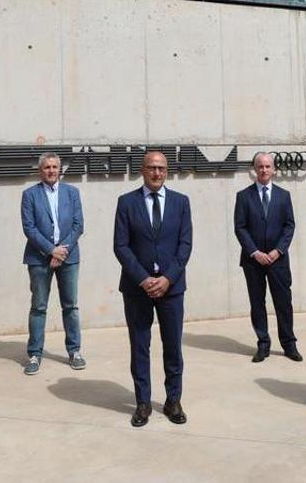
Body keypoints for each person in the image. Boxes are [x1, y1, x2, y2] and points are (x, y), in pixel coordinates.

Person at [113, 151, 193, 427]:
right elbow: (120, 246)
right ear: (142, 170)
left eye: (161, 168)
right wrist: (143, 279)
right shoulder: (126, 203)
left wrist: (168, 278)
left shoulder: (181, 203)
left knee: (173, 347)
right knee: (140, 347)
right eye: (151, 168)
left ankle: (173, 401)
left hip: (172, 289)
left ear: (167, 171)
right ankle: (143, 403)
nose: (156, 173)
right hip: (138, 290)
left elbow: (185, 246)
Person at [20, 152, 85, 375]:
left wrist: (62, 251)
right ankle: (35, 354)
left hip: (69, 257)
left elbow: (78, 225)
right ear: (41, 170)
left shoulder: (72, 193)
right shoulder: (29, 194)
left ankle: (75, 351)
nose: (51, 171)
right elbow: (29, 228)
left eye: (54, 167)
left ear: (60, 169)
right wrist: (51, 251)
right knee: (38, 307)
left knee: (71, 306)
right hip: (39, 258)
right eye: (47, 167)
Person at [234, 152, 300, 363]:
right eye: (260, 166)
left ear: (274, 169)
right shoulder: (243, 196)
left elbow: (289, 226)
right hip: (253, 261)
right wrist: (255, 252)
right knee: (257, 303)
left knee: (283, 303)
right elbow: (240, 227)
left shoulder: (284, 195)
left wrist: (277, 251)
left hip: (278, 260)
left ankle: (289, 344)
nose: (264, 170)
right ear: (255, 169)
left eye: (267, 166)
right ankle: (263, 344)